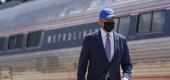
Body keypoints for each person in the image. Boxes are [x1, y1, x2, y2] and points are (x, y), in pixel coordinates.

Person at [77, 8, 132, 80]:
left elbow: (127, 64)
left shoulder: (121, 40)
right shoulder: (90, 39)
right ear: (100, 21)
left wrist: (126, 77)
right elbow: (82, 65)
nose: (111, 22)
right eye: (108, 20)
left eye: (112, 20)